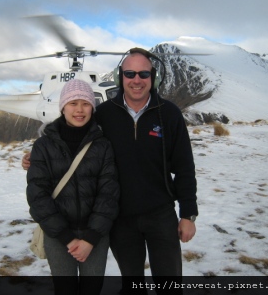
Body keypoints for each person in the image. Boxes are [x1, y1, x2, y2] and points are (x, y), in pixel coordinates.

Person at [24, 48, 198, 294]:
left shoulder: (169, 114)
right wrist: (37, 157)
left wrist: (188, 214)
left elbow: (184, 166)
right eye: (129, 73)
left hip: (161, 215)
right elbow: (75, 139)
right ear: (120, 77)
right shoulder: (104, 114)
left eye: (143, 74)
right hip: (121, 219)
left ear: (153, 77)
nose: (136, 80)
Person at [26, 79, 119, 295]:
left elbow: (109, 194)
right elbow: (37, 195)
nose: (79, 110)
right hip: (58, 236)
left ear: (92, 108)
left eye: (85, 104)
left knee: (92, 289)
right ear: (63, 107)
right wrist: (67, 238)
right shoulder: (43, 146)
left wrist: (91, 238)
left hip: (95, 235)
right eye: (73, 103)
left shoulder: (103, 145)